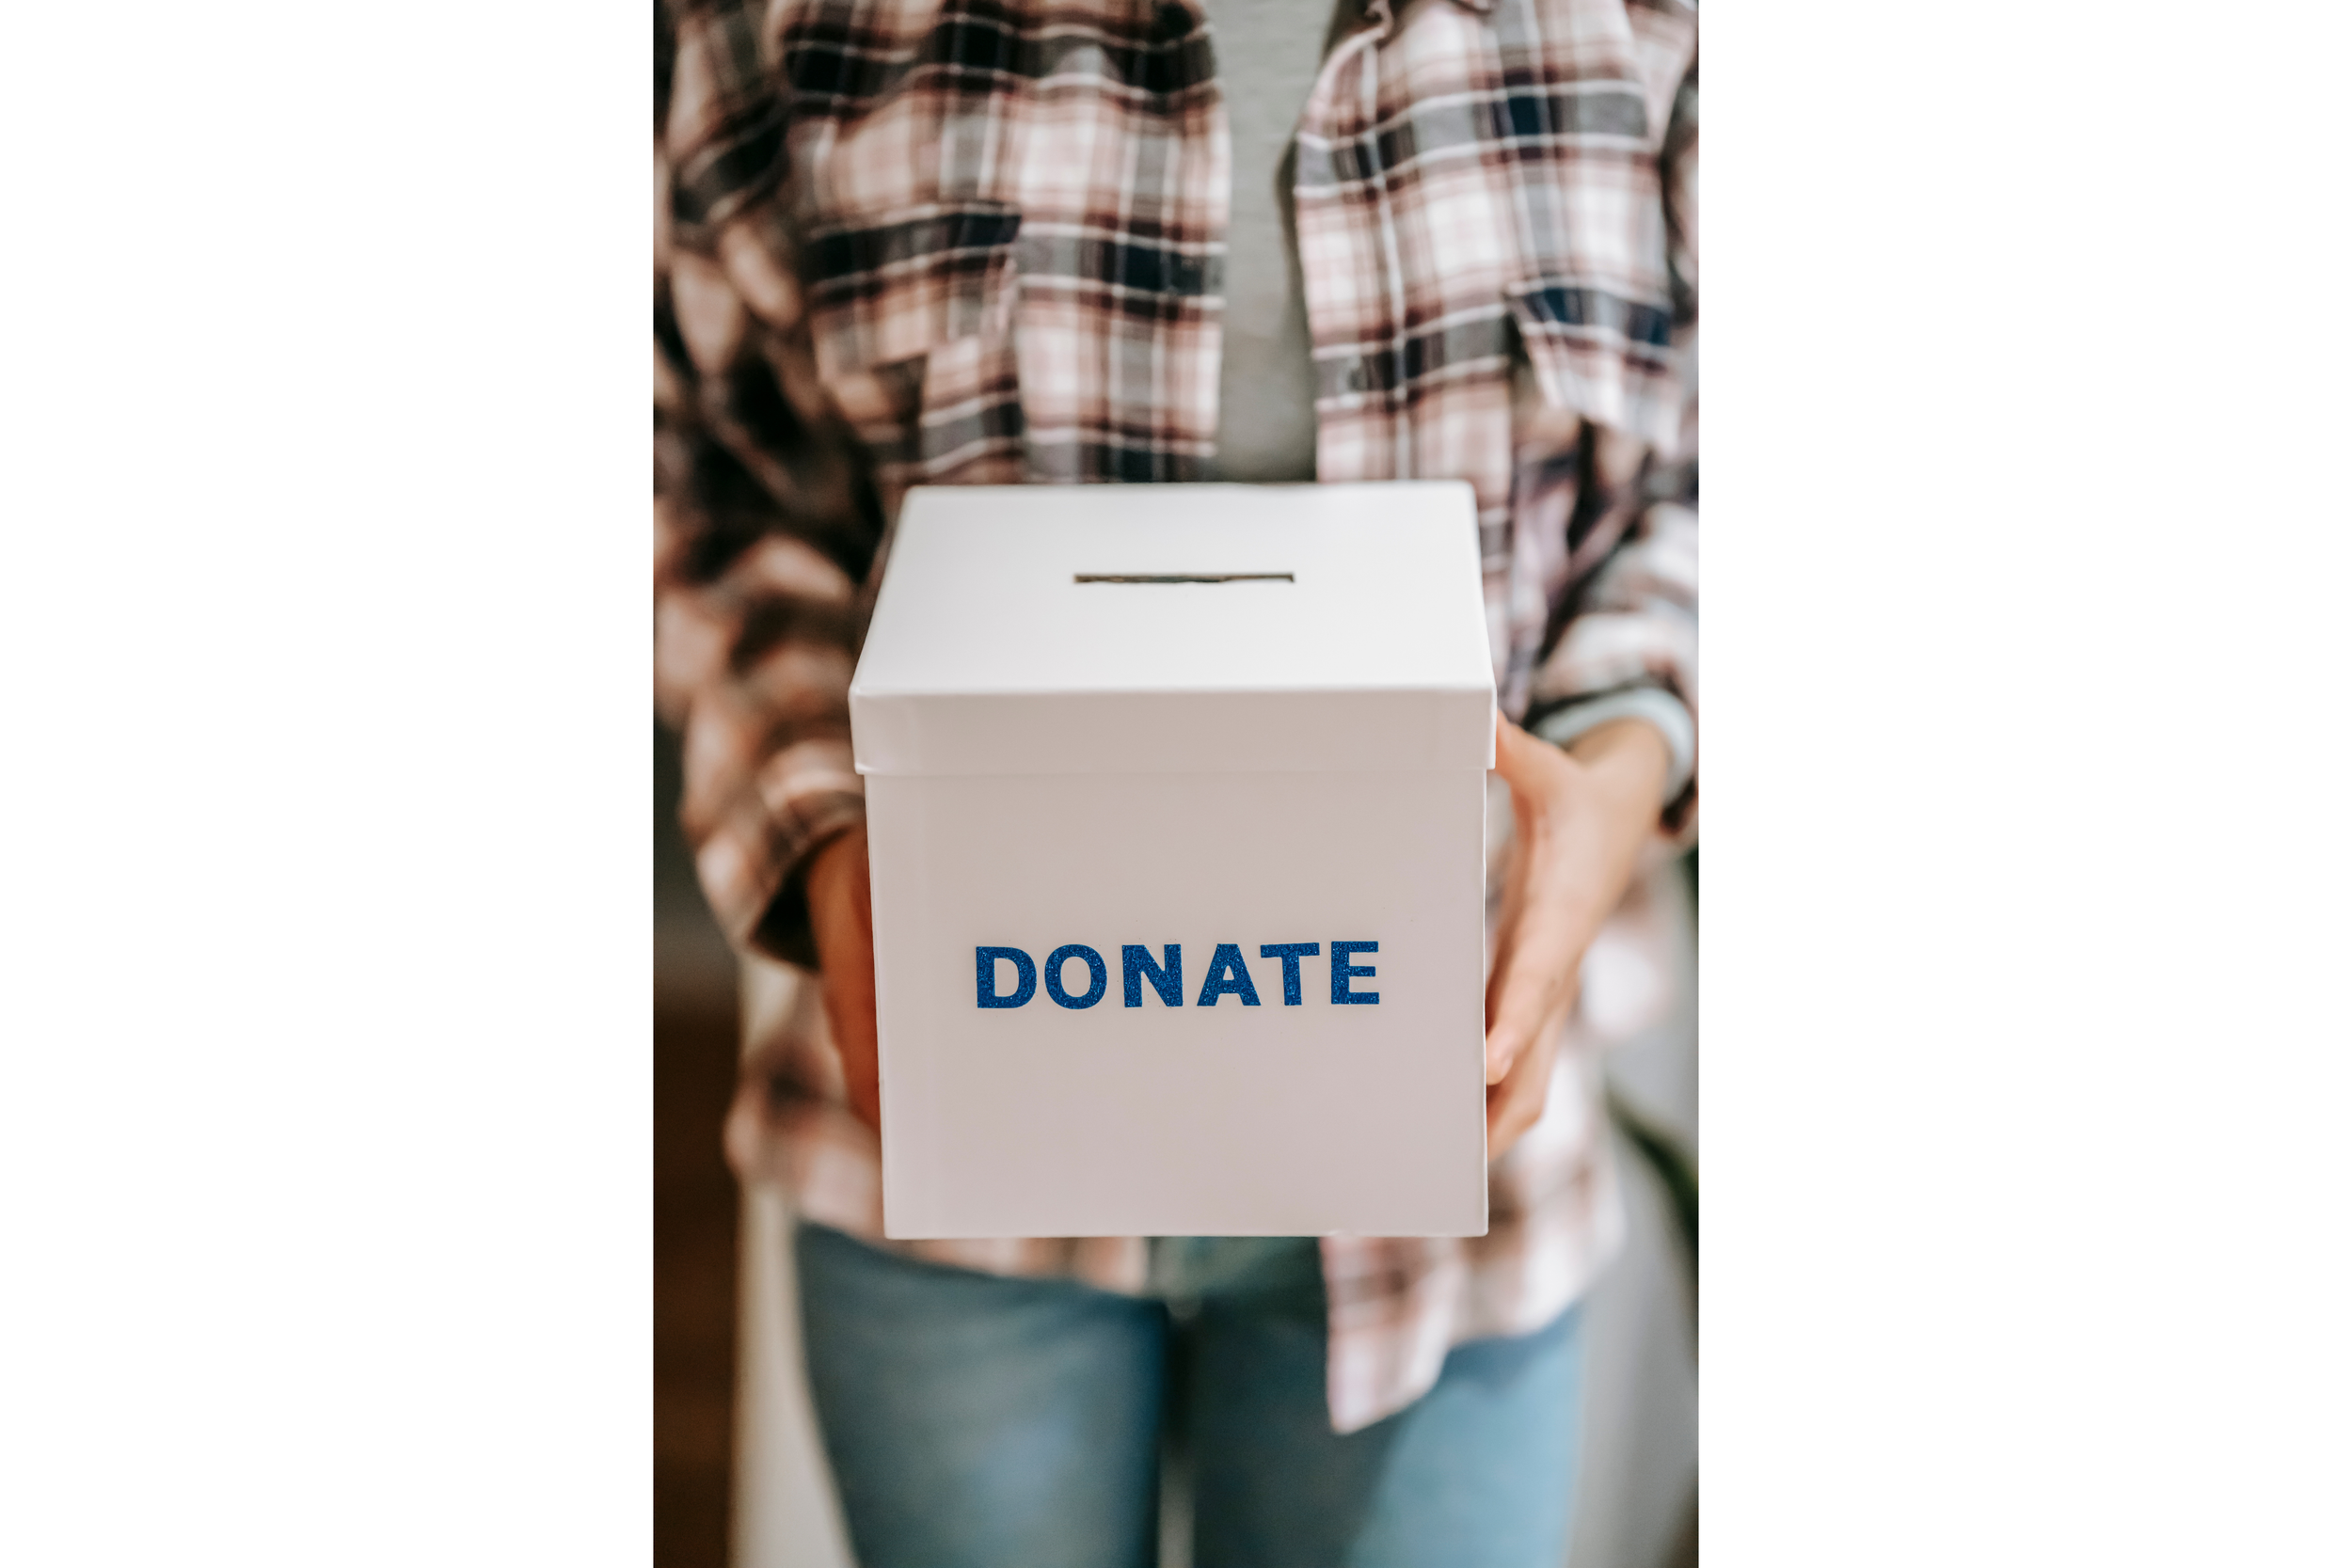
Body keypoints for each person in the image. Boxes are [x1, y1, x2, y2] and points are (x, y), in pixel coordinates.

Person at [656, 0, 1697, 1561]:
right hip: (950, 1163)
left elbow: (1709, 482)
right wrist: (828, 845)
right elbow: (696, 474)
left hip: (1452, 1166)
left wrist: (1615, 774)